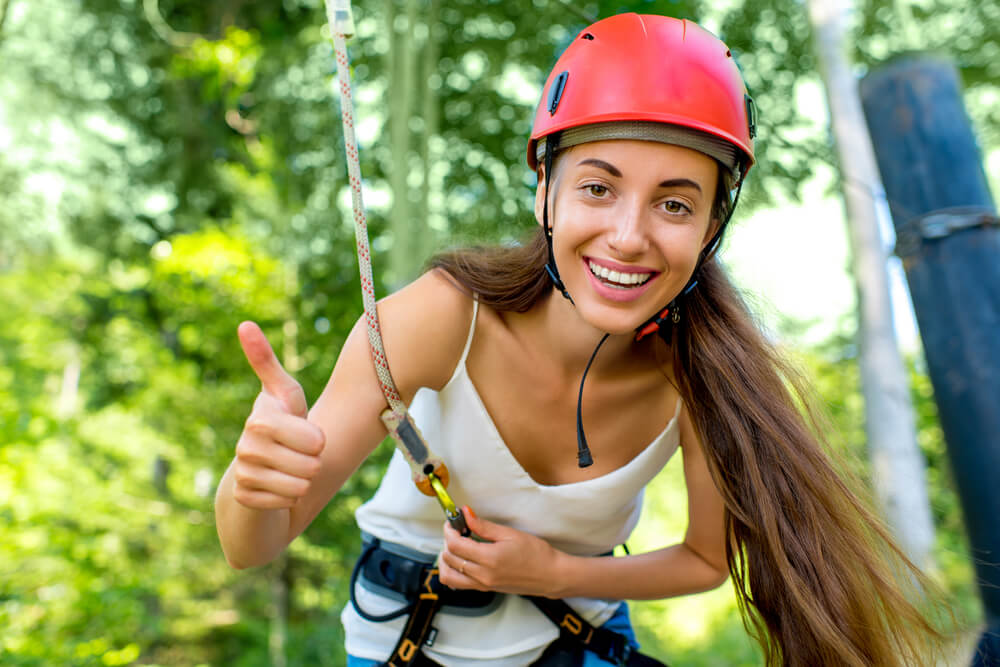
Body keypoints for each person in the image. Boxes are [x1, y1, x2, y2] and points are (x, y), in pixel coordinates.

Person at [215, 13, 945, 666]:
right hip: (407, 639)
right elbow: (254, 544)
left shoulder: (705, 374)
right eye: (599, 187)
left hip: (580, 639)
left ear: (711, 229)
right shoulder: (440, 318)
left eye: (674, 203)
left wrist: (555, 572)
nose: (629, 238)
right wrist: (250, 484)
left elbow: (703, 558)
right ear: (546, 191)